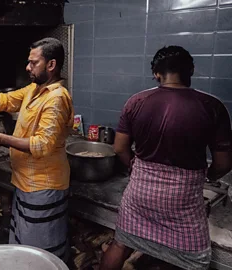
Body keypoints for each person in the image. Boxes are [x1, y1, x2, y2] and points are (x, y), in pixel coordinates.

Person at [99, 46, 232, 270]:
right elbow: (224, 163)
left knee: (121, 243)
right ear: (190, 70)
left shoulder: (136, 101)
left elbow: (119, 147)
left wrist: (134, 167)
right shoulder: (212, 106)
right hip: (183, 200)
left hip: (140, 193)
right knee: (194, 260)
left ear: (156, 74)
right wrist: (208, 176)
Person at [0, 38, 74, 260]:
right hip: (25, 181)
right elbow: (4, 100)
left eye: (33, 63)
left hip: (43, 186)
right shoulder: (35, 90)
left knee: (40, 251)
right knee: (25, 244)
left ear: (51, 65)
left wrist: (0, 138)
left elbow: (41, 145)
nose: (27, 67)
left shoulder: (56, 98)